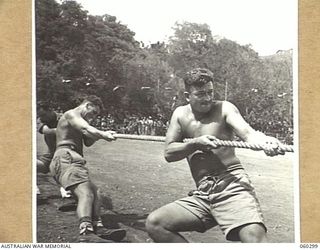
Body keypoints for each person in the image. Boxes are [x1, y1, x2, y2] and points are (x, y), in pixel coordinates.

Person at [145, 68, 285, 243]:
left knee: (255, 240)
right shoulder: (180, 115)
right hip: (204, 194)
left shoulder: (224, 108)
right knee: (156, 223)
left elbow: (249, 134)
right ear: (188, 95)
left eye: (210, 92)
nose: (207, 98)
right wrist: (195, 143)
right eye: (201, 94)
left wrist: (266, 142)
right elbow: (169, 153)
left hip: (233, 188)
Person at [49, 95, 126, 243]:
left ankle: (98, 227)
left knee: (96, 193)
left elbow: (88, 140)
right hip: (66, 157)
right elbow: (85, 128)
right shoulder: (71, 114)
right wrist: (102, 134)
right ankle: (86, 233)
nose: (94, 116)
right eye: (94, 112)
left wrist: (102, 134)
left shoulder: (82, 120)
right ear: (87, 105)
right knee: (86, 193)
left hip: (73, 159)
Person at [36, 103, 71, 198]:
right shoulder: (41, 120)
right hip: (51, 153)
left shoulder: (63, 117)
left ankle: (65, 189)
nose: (41, 118)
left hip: (65, 153)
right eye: (39, 115)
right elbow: (47, 131)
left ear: (50, 109)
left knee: (63, 171)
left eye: (43, 115)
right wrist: (64, 130)